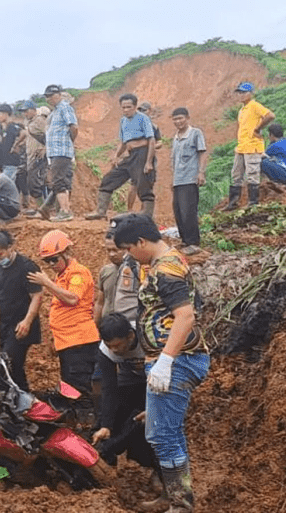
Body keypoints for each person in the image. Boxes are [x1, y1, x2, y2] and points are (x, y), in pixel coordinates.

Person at [111, 213, 209, 513]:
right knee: (167, 432)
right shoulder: (165, 264)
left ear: (142, 241)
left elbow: (186, 315)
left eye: (129, 248)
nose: (128, 254)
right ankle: (174, 496)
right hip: (171, 359)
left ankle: (181, 504)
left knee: (163, 435)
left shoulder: (166, 270)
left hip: (178, 360)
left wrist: (166, 361)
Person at [27, 230, 100, 422]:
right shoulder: (62, 275)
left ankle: (88, 427)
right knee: (70, 386)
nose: (51, 265)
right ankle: (77, 421)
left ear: (67, 252)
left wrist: (47, 283)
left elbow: (72, 299)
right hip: (67, 342)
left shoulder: (78, 273)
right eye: (47, 261)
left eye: (54, 259)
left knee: (80, 388)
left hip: (80, 341)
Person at [91, 313, 157, 489]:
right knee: (116, 418)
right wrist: (107, 425)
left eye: (117, 345)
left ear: (130, 336)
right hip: (129, 380)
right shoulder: (105, 351)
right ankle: (110, 465)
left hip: (156, 381)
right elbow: (109, 388)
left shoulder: (150, 338)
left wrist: (156, 407)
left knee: (144, 425)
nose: (114, 350)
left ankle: (158, 472)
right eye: (109, 346)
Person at [0, 230, 43, 391]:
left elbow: (37, 295)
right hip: (5, 325)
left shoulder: (27, 266)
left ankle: (22, 399)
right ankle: (23, 400)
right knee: (14, 367)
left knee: (9, 362)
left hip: (22, 325)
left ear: (11, 247)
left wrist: (27, 321)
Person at [86, 93, 157, 220]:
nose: (126, 110)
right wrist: (116, 156)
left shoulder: (143, 118)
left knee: (143, 184)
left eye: (128, 107)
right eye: (123, 107)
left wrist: (149, 162)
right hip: (131, 155)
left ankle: (147, 214)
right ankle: (101, 211)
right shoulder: (123, 120)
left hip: (143, 153)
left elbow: (151, 140)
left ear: (135, 106)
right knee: (109, 179)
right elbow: (123, 142)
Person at [225, 81, 275, 210]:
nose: (241, 95)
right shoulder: (242, 110)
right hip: (242, 146)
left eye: (244, 92)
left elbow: (270, 115)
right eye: (239, 93)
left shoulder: (254, 106)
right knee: (236, 174)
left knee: (252, 174)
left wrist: (258, 129)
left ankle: (253, 203)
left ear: (251, 93)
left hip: (252, 146)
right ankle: (233, 203)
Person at [169, 108, 208, 255]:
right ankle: (185, 240)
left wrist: (201, 173)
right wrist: (172, 179)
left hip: (189, 179)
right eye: (175, 119)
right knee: (178, 211)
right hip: (178, 180)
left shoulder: (195, 133)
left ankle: (193, 242)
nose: (178, 122)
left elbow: (202, 152)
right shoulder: (176, 137)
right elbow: (174, 160)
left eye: (180, 118)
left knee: (188, 211)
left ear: (187, 118)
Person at [37, 85, 77, 222]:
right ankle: (59, 210)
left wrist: (69, 141)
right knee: (59, 181)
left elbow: (74, 126)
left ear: (58, 95)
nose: (49, 99)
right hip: (55, 152)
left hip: (62, 150)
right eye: (47, 96)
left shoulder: (64, 107)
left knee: (58, 181)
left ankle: (65, 211)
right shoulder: (54, 112)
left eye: (51, 95)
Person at [125, 101, 163, 212]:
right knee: (134, 185)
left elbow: (160, 142)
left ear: (150, 111)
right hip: (136, 160)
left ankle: (145, 212)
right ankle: (129, 210)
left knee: (148, 186)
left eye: (144, 110)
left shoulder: (154, 127)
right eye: (140, 110)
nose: (142, 112)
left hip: (150, 159)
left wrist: (152, 146)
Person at [19, 102, 48, 213]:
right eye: (23, 112)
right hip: (30, 155)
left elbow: (49, 135)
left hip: (39, 155)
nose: (25, 114)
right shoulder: (28, 122)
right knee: (30, 181)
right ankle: (40, 207)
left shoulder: (40, 120)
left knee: (35, 182)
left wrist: (45, 148)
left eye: (26, 111)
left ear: (33, 110)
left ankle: (42, 208)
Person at [0, 104, 21, 180]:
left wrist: (17, 144)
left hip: (11, 163)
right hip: (2, 163)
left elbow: (24, 134)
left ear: (6, 114)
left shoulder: (14, 127)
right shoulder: (1, 129)